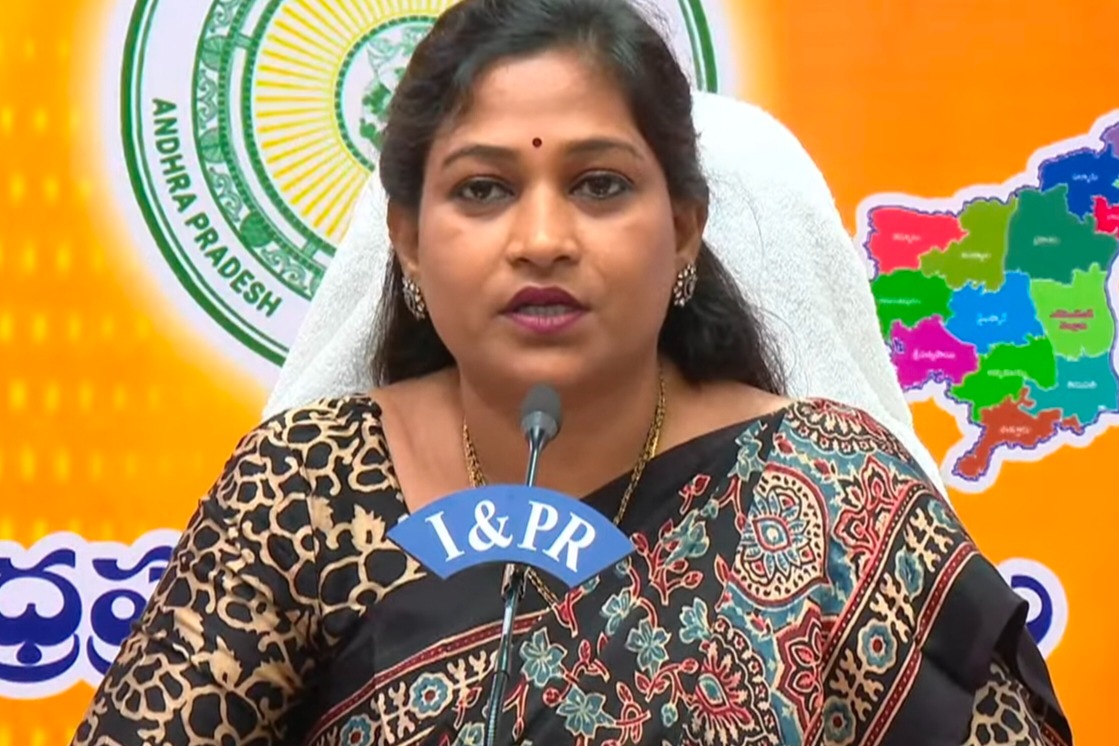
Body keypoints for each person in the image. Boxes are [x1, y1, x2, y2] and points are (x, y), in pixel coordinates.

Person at [70, 0, 1072, 744]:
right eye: (483, 189)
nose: (542, 238)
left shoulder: (830, 492)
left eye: (598, 184)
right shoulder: (309, 481)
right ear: (407, 240)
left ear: (683, 228)